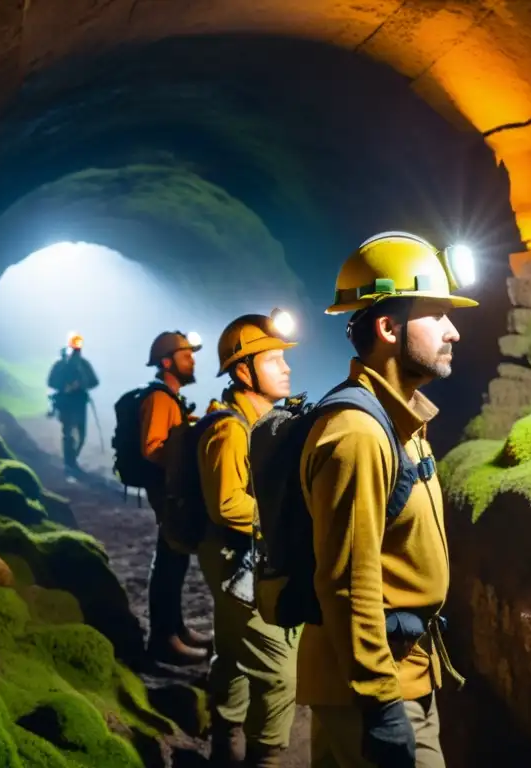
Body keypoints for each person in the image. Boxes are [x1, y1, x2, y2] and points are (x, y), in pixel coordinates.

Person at [298, 232, 477, 768]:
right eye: (438, 316)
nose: (455, 331)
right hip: (375, 686)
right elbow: (348, 582)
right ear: (387, 327)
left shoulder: (399, 422)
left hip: (399, 674)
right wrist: (380, 706)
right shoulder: (359, 434)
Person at [196, 312, 300, 767]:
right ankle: (266, 758)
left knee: (234, 652)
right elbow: (225, 505)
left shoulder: (259, 421)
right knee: (280, 670)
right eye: (272, 359)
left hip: (242, 558)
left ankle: (224, 739)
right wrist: (285, 514)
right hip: (236, 561)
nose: (285, 367)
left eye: (283, 358)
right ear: (243, 371)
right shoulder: (229, 429)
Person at [140, 330, 211, 664]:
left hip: (172, 492)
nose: (192, 360)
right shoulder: (159, 399)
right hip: (166, 494)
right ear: (167, 362)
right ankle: (163, 639)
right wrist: (187, 442)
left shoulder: (171, 398)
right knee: (168, 563)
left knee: (176, 561)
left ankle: (176, 630)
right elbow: (152, 448)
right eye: (186, 355)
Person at [47, 333, 99, 480]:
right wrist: (65, 387)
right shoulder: (60, 365)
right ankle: (69, 463)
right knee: (68, 434)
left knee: (82, 435)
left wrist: (82, 384)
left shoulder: (84, 365)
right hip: (65, 403)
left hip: (80, 404)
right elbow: (51, 382)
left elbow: (94, 381)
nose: (76, 353)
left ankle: (72, 459)